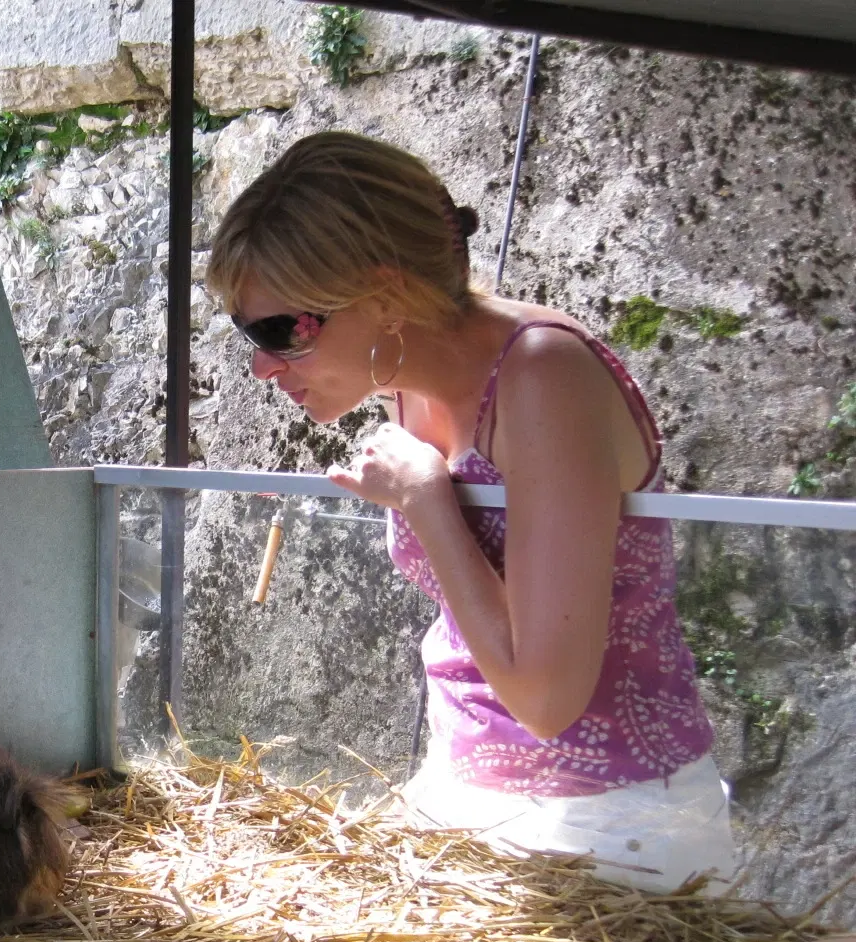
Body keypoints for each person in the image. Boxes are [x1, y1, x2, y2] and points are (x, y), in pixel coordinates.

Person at [206, 131, 735, 893]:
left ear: (385, 297)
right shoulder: (402, 376)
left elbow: (549, 700)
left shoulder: (543, 374)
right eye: (247, 332)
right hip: (464, 786)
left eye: (282, 331)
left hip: (614, 827)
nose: (261, 365)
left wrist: (428, 505)